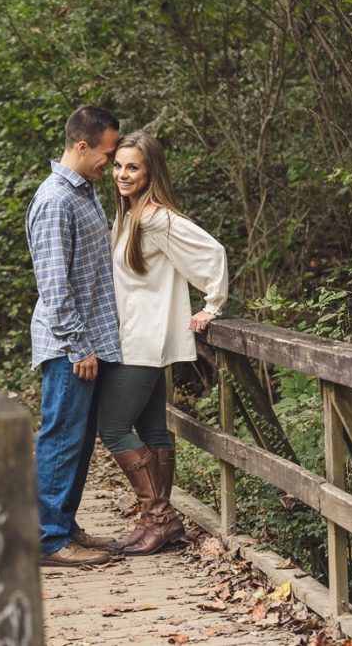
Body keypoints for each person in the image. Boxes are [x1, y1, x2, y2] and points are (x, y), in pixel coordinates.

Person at [95, 131, 228, 555]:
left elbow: (212, 253)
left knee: (113, 427)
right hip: (132, 337)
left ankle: (160, 518)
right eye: (117, 165)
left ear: (150, 170)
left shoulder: (157, 218)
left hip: (143, 341)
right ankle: (158, 522)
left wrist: (213, 305)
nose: (121, 174)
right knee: (152, 428)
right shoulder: (129, 215)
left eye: (132, 166)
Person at [28, 104, 124, 567]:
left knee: (79, 440)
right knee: (61, 438)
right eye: (107, 152)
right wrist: (78, 345)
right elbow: (53, 285)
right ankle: (48, 540)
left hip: (89, 341)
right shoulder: (55, 200)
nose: (112, 159)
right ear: (81, 147)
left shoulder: (84, 193)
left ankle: (63, 526)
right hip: (71, 345)